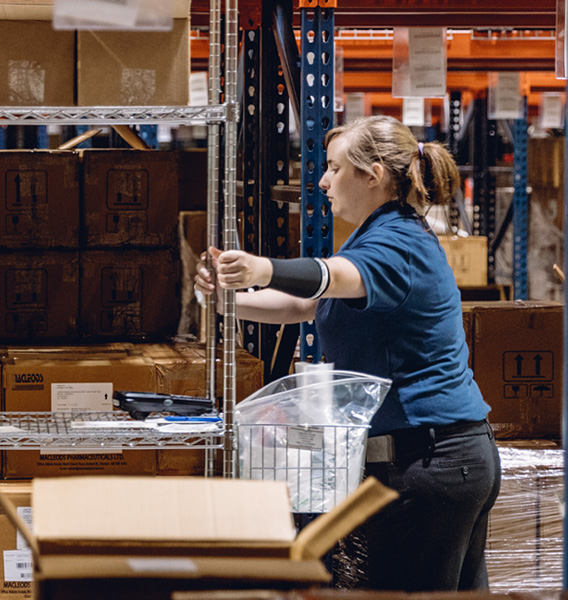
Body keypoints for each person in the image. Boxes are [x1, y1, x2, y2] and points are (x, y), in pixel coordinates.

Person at [195, 115, 501, 592]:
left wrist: (261, 267)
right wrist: (225, 300)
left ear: (372, 174)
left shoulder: (397, 242)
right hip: (437, 458)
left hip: (431, 463)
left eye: (333, 168)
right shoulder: (377, 235)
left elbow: (331, 277)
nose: (321, 181)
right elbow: (306, 304)